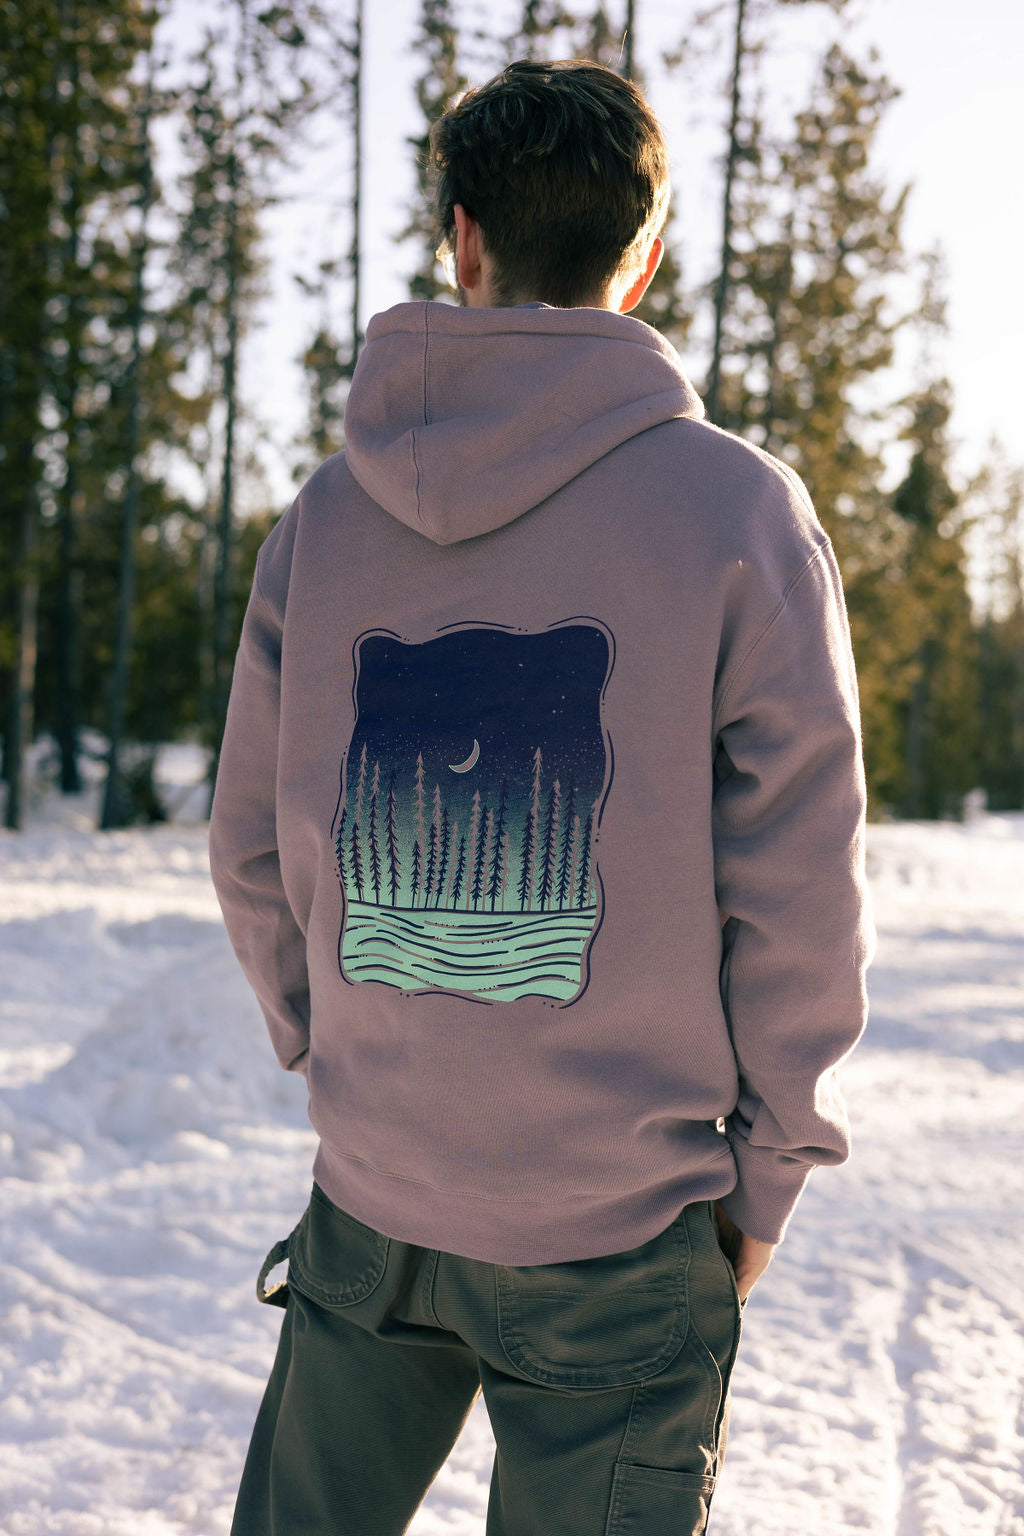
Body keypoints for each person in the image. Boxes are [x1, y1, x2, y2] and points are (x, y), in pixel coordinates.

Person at [209, 57, 873, 1536]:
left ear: (463, 240)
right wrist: (768, 1171)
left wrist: (344, 1056)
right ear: (643, 257)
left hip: (372, 1202)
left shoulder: (326, 517)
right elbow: (801, 881)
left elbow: (251, 841)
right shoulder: (736, 513)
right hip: (625, 1229)